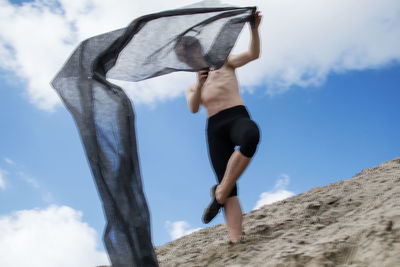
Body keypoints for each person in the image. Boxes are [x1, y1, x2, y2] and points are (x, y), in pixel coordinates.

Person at [177, 11, 262, 244]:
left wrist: (253, 29)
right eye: (184, 57)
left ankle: (219, 193)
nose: (188, 57)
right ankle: (236, 241)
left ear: (199, 49)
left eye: (190, 51)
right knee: (232, 189)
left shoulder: (224, 61)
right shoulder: (192, 86)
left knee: (251, 136)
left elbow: (253, 54)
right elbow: (194, 108)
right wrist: (199, 83)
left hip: (236, 116)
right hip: (215, 129)